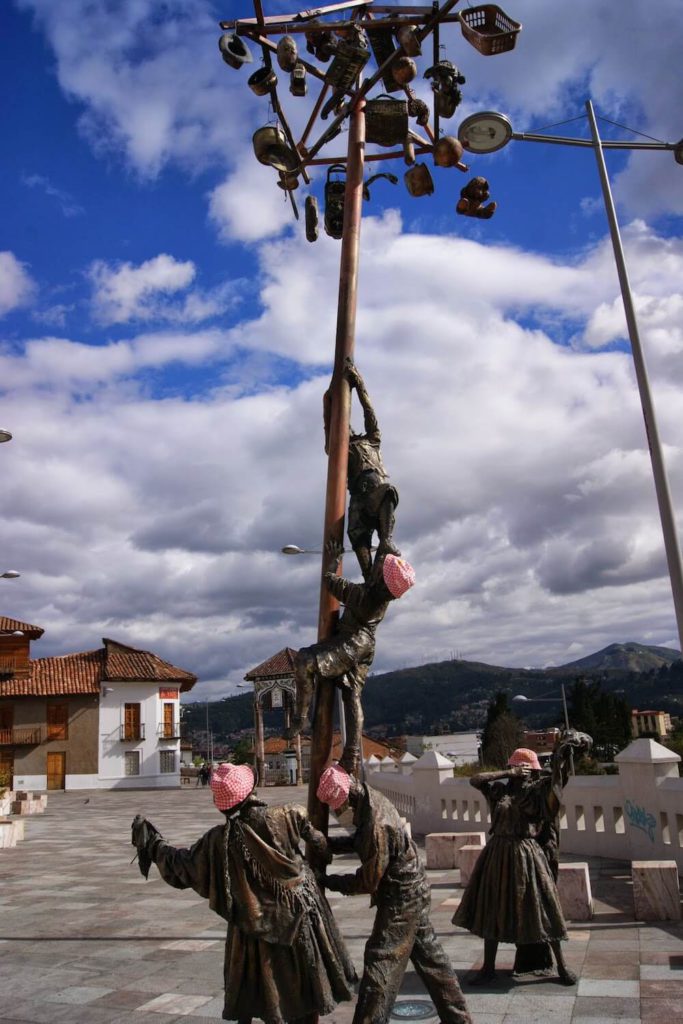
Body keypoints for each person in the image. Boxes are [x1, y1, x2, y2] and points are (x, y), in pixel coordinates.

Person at [131, 763, 356, 1024]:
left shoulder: (219, 840)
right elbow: (321, 845)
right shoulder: (290, 814)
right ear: (252, 789)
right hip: (301, 917)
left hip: (253, 924)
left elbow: (185, 866)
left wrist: (155, 845)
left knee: (263, 990)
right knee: (308, 985)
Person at [317, 763, 473, 1024]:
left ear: (348, 800)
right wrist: (329, 845)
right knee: (433, 963)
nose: (337, 814)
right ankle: (459, 1019)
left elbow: (368, 880)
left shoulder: (376, 824)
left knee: (381, 961)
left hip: (403, 898)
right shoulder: (368, 801)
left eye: (338, 809)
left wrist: (329, 881)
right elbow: (361, 842)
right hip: (412, 890)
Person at [452, 730, 592, 985]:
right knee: (492, 908)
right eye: (521, 769)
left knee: (543, 908)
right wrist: (508, 773)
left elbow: (558, 785)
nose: (526, 773)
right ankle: (488, 968)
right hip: (497, 853)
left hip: (527, 854)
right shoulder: (498, 791)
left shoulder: (537, 792)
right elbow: (475, 779)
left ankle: (560, 966)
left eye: (527, 770)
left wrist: (563, 756)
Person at [286, 541, 415, 775]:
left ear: (383, 580)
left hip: (351, 641)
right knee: (351, 695)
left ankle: (300, 717)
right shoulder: (382, 592)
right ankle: (352, 753)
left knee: (305, 660)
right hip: (366, 644)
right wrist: (386, 547)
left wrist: (334, 560)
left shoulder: (364, 596)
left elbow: (330, 580)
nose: (376, 569)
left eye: (381, 570)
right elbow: (384, 559)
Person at [323, 359, 400, 581]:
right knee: (357, 536)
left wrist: (359, 384)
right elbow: (330, 433)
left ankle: (386, 540)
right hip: (358, 496)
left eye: (346, 425)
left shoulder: (372, 440)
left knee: (388, 492)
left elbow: (369, 412)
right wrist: (329, 404)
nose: (346, 428)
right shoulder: (339, 450)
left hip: (375, 488)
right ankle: (370, 581)